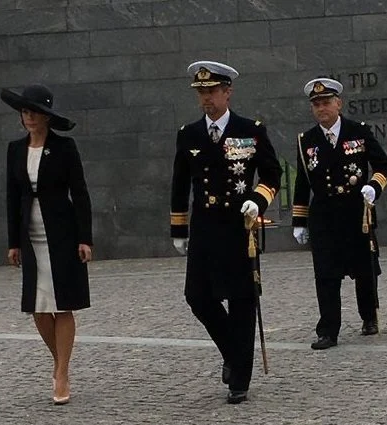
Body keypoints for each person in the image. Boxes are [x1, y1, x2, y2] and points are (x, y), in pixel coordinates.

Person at [170, 61, 282, 404]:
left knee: (241, 300)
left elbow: (272, 175)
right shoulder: (189, 134)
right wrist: (179, 226)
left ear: (227, 92)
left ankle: (240, 380)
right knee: (198, 297)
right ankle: (234, 352)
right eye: (201, 93)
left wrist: (257, 201)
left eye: (212, 91)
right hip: (205, 225)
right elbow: (179, 183)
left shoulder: (251, 129)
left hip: (238, 225)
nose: (206, 98)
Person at [2, 84, 93, 404]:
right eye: (24, 112)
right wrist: (13, 241)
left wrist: (85, 238)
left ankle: (63, 374)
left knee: (63, 302)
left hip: (63, 233)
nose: (28, 118)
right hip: (31, 235)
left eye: (34, 112)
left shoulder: (65, 148)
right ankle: (58, 362)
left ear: (46, 117)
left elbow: (80, 194)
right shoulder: (15, 149)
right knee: (38, 307)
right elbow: (13, 197)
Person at [291, 77, 387, 350]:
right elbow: (302, 183)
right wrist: (299, 221)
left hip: (355, 213)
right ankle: (328, 330)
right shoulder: (307, 141)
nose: (321, 108)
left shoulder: (358, 132)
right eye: (316, 104)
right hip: (324, 216)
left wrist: (374, 186)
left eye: (326, 102)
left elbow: (384, 166)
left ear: (339, 103)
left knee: (364, 269)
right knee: (325, 274)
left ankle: (369, 316)